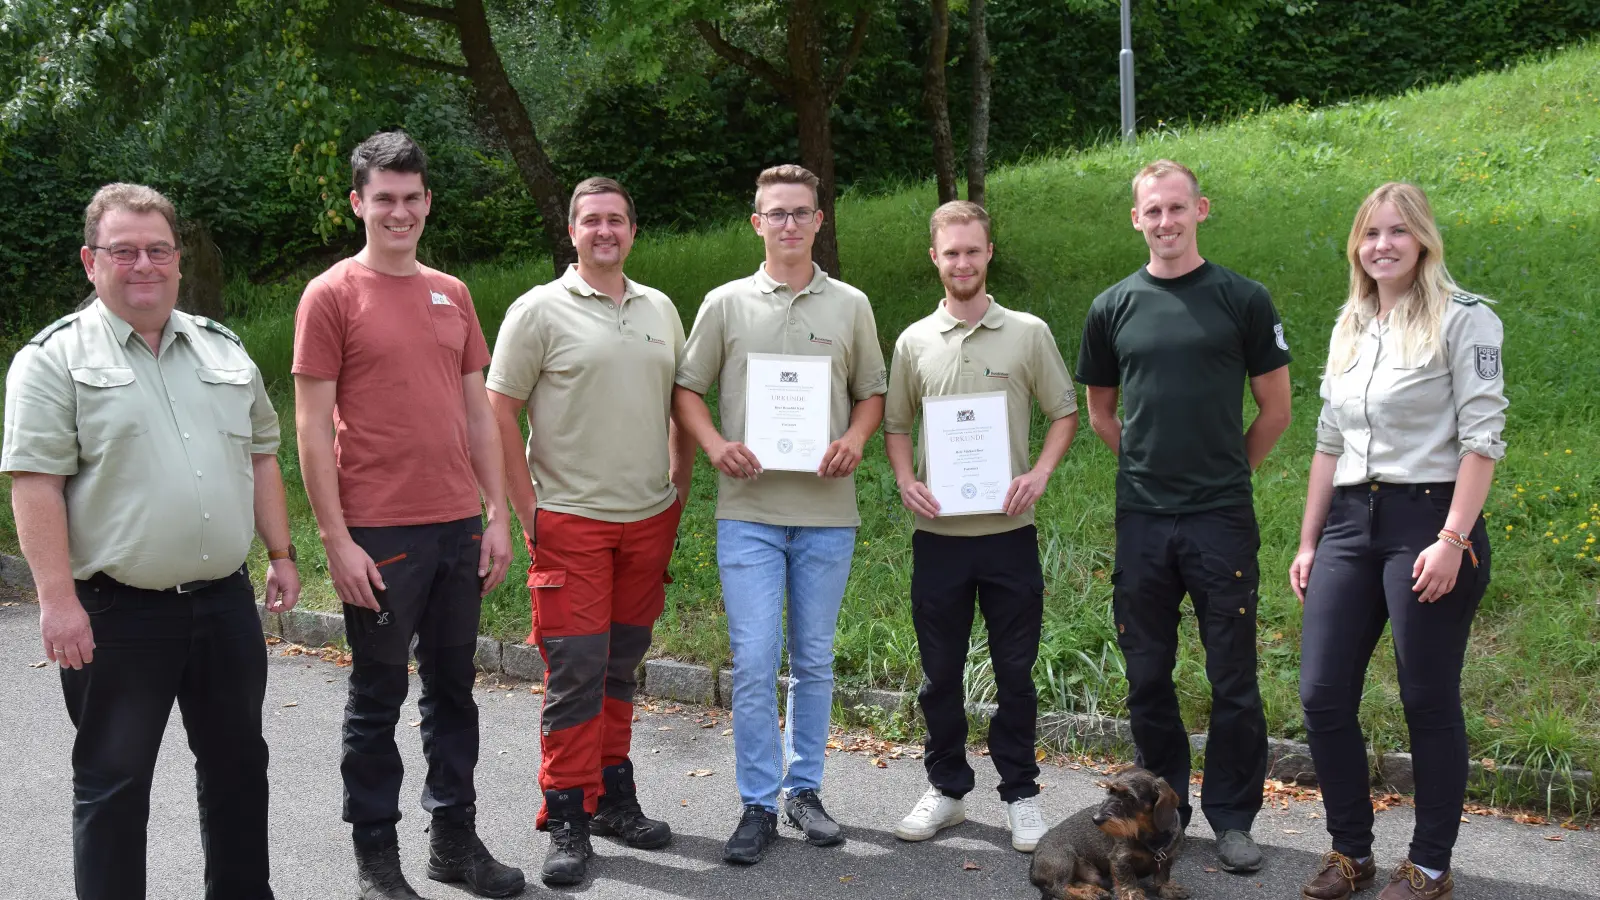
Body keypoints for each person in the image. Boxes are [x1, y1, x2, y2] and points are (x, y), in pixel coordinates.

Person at [3, 182, 300, 899]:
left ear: (177, 257)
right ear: (90, 261)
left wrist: (283, 552)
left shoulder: (222, 347)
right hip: (116, 612)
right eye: (124, 250)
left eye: (158, 249)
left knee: (236, 768)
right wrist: (57, 601)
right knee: (114, 781)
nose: (144, 264)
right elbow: (35, 483)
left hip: (224, 604)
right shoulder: (52, 360)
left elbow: (261, 452)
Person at [292, 131, 522, 900]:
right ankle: (376, 860)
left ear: (427, 202)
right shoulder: (331, 295)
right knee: (377, 699)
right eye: (383, 199)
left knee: (454, 691)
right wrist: (335, 540)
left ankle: (453, 841)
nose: (400, 212)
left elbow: (480, 415)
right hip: (380, 537)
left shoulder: (451, 292)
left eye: (412, 198)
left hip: (458, 526)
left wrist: (497, 515)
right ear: (358, 203)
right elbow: (310, 427)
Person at [1075, 159, 1293, 874]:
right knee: (1148, 674)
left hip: (1220, 520)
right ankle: (1162, 817)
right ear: (1135, 219)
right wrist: (1147, 469)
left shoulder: (1243, 298)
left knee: (1233, 676)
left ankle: (1233, 819)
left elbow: (1276, 408)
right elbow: (1101, 412)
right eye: (1152, 211)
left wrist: (1225, 477)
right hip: (1143, 519)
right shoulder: (1113, 306)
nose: (1165, 221)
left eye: (1177, 208)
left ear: (1201, 208)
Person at [1293, 183, 1504, 900]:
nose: (1381, 244)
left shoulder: (1464, 319)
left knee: (1427, 698)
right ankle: (1351, 852)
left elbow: (1482, 441)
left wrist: (1453, 539)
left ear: (1422, 240)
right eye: (1370, 233)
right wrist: (1308, 541)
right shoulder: (1350, 322)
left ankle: (1430, 865)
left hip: (1431, 521)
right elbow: (1327, 442)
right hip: (1351, 523)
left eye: (1396, 232)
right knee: (1321, 694)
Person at [673, 164, 888, 865]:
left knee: (815, 661)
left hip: (827, 513)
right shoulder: (726, 303)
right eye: (776, 213)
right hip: (750, 512)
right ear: (756, 221)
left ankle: (806, 792)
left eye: (801, 212)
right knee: (758, 657)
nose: (789, 224)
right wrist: (714, 445)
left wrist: (856, 439)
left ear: (820, 220)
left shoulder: (851, 303)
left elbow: (871, 393)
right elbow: (688, 389)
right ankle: (758, 803)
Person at [486, 177, 694, 887]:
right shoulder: (537, 312)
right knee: (574, 674)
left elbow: (680, 404)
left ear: (634, 231)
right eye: (591, 221)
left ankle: (612, 795)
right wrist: (526, 513)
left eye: (617, 220)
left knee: (618, 668)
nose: (605, 231)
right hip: (569, 524)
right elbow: (498, 413)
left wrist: (678, 489)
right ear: (572, 232)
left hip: (647, 523)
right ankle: (567, 813)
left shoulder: (661, 309)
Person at [883, 201, 1079, 852]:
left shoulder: (1027, 332)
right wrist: (908, 480)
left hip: (1009, 536)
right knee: (939, 676)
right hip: (939, 541)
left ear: (989, 253)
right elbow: (897, 424)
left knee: (1015, 674)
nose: (961, 261)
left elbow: (1063, 412)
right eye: (950, 251)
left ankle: (1021, 795)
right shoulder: (913, 341)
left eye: (972, 250)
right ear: (933, 258)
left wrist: (1042, 473)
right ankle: (947, 790)